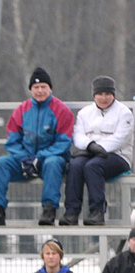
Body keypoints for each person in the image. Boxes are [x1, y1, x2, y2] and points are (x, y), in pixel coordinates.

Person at [0, 67, 74, 226]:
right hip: (24, 159)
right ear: (31, 89)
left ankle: (49, 210)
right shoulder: (21, 110)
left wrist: (39, 158)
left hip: (49, 160)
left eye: (43, 87)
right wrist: (25, 158)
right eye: (36, 88)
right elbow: (13, 139)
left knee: (53, 163)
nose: (40, 91)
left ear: (50, 88)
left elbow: (63, 142)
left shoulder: (62, 110)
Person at [60, 75, 134, 226]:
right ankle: (71, 212)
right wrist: (90, 146)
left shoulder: (124, 113)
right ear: (94, 95)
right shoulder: (84, 113)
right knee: (75, 166)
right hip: (90, 153)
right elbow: (78, 135)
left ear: (113, 95)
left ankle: (97, 212)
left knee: (92, 167)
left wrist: (98, 148)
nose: (104, 98)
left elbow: (120, 138)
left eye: (108, 94)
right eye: (100, 94)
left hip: (118, 156)